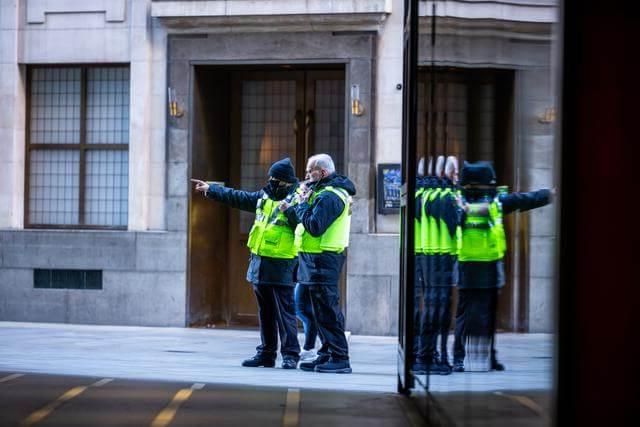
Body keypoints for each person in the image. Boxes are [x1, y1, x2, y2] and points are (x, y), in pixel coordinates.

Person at [191, 158, 301, 370]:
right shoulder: (265, 196)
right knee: (266, 312)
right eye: (270, 178)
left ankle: (290, 355)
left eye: (275, 178)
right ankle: (266, 354)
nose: (271, 181)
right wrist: (211, 189)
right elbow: (238, 197)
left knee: (284, 313)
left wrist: (288, 210)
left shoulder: (296, 198)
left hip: (283, 264)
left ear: (286, 181)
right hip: (260, 262)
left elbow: (301, 225)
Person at [452, 161, 554, 372]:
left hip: (467, 265)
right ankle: (490, 358)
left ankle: (459, 359)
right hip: (488, 266)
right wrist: (549, 194)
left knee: (463, 315)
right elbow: (523, 200)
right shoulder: (495, 204)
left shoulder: (459, 202)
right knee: (489, 314)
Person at [279, 153, 356, 374]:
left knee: (328, 311)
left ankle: (340, 358)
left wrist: (302, 203)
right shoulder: (322, 192)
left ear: (322, 172)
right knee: (318, 311)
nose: (305, 177)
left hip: (324, 259)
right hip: (313, 259)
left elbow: (315, 226)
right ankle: (326, 354)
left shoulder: (331, 196)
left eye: (308, 172)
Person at [294, 282, 319, 360]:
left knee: (301, 311)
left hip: (307, 276)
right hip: (305, 277)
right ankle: (309, 348)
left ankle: (309, 348)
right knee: (306, 311)